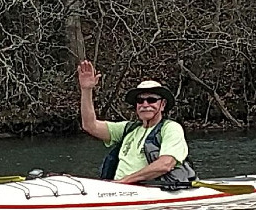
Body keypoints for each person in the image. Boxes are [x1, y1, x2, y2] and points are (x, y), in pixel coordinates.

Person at [77, 59, 194, 187]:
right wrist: (86, 90)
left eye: (151, 100)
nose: (145, 105)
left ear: (163, 105)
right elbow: (90, 125)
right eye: (140, 100)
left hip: (147, 191)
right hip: (118, 188)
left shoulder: (171, 128)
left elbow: (165, 164)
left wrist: (123, 181)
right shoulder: (128, 129)